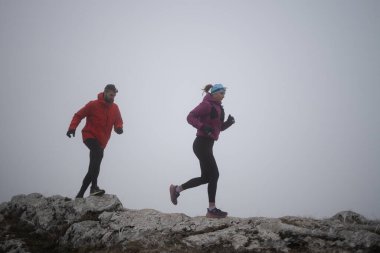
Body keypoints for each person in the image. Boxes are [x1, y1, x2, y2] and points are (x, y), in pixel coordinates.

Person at [170, 84, 235, 218]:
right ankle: (211, 210)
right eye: (221, 93)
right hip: (201, 144)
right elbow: (190, 117)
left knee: (206, 178)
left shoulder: (219, 108)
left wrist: (228, 123)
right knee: (215, 174)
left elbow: (218, 128)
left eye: (224, 94)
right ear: (215, 93)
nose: (223, 96)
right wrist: (202, 126)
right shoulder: (206, 105)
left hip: (207, 145)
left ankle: (176, 189)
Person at [67, 84, 123, 198]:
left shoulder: (115, 108)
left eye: (114, 95)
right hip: (89, 136)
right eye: (111, 95)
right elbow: (78, 115)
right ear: (105, 92)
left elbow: (118, 120)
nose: (112, 97)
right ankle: (94, 188)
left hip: (102, 141)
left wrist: (118, 128)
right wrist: (72, 128)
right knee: (97, 155)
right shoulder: (93, 105)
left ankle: (80, 195)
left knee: (94, 165)